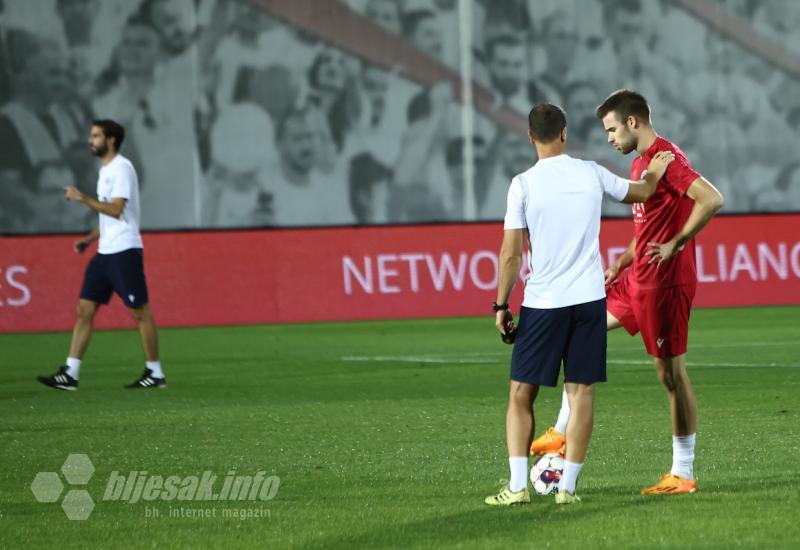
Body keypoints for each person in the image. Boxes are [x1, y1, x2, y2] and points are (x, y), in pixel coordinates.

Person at [530, 89, 725, 495]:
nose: (608, 138)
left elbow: (711, 199)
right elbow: (649, 224)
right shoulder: (642, 164)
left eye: (612, 129)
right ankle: (561, 431)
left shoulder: (668, 161)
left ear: (633, 122)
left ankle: (683, 473)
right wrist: (624, 258)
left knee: (670, 376)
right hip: (637, 277)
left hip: (665, 282)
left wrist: (678, 243)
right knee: (578, 331)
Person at [484, 104, 675, 506]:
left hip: (544, 303)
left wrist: (501, 305)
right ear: (565, 134)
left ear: (531, 138)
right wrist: (655, 170)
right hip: (588, 301)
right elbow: (642, 191)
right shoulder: (591, 173)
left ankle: (518, 487)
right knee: (581, 393)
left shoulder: (522, 184)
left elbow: (510, 255)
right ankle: (567, 490)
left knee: (521, 393)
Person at [37, 119, 166, 391]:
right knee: (84, 310)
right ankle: (70, 374)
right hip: (105, 252)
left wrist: (82, 197)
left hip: (124, 250)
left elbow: (117, 210)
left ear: (111, 140)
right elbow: (109, 215)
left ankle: (155, 373)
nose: (90, 140)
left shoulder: (122, 168)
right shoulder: (105, 170)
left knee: (139, 311)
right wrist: (88, 239)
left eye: (95, 136)